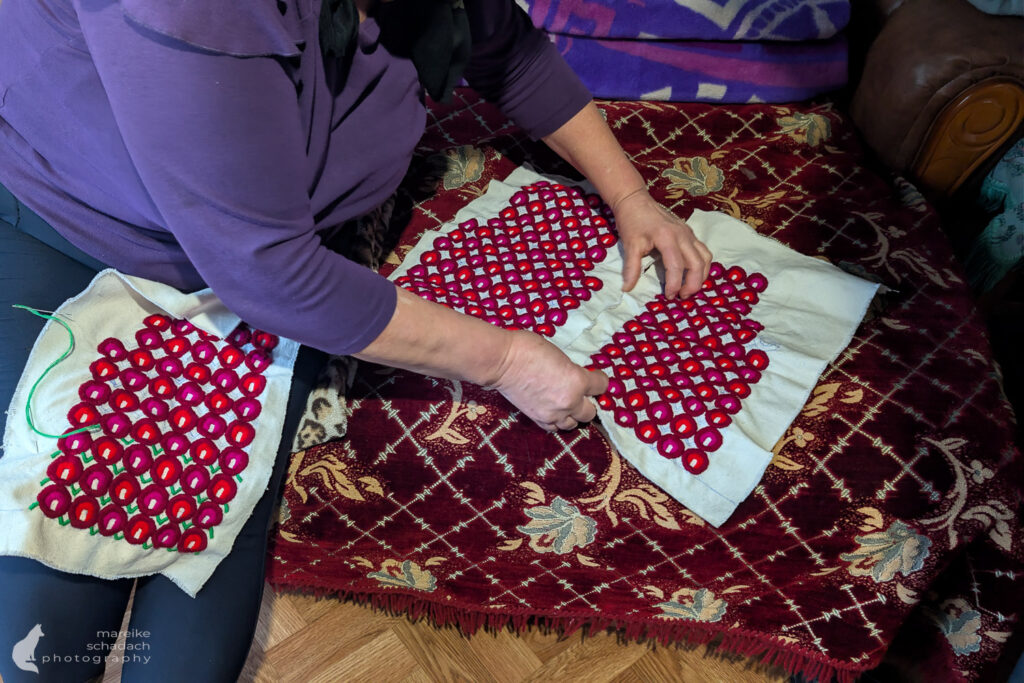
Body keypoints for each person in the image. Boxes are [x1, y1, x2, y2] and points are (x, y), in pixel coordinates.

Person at [0, 0, 712, 680]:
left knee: (201, 573)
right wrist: (506, 358)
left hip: (274, 265)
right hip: (87, 229)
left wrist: (630, 195)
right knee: (41, 625)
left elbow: (511, 52)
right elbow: (274, 275)